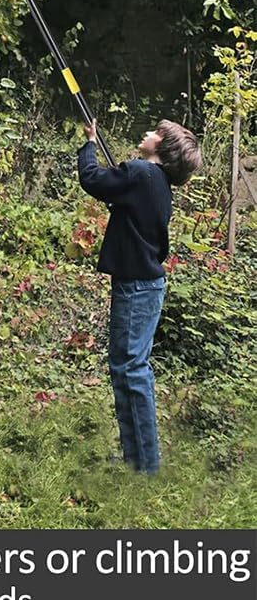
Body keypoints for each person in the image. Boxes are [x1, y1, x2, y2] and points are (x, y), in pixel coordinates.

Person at [78, 118, 202, 473]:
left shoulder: (140, 173)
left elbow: (92, 179)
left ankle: (145, 466)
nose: (147, 134)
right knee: (127, 369)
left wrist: (90, 143)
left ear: (162, 146)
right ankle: (136, 459)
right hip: (143, 287)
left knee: (130, 371)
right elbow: (122, 199)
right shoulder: (157, 183)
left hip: (136, 288)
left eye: (155, 133)